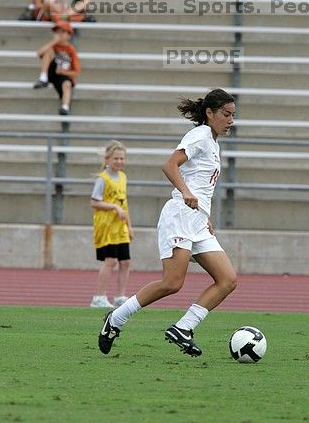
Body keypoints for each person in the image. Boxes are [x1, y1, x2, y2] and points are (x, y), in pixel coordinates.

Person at [97, 88, 238, 357]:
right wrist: (185, 192)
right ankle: (115, 319)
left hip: (196, 221)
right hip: (179, 217)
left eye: (233, 115)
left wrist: (205, 216)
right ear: (210, 113)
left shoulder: (212, 141)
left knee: (228, 279)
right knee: (173, 283)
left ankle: (184, 328)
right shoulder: (200, 136)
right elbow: (170, 164)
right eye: (226, 114)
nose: (231, 120)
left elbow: (201, 185)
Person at [90, 140, 134, 309]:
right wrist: (114, 207)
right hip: (107, 226)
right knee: (111, 260)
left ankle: (120, 296)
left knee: (125, 261)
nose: (119, 162)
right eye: (116, 158)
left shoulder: (123, 177)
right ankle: (99, 297)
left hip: (120, 227)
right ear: (107, 159)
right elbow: (94, 202)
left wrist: (129, 225)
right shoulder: (103, 179)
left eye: (122, 159)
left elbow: (125, 204)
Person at [33, 20, 81, 115]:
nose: (59, 34)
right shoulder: (52, 46)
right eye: (57, 32)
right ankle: (43, 78)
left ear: (68, 35)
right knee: (49, 51)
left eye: (62, 32)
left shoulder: (71, 50)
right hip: (52, 71)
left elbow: (76, 71)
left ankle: (65, 107)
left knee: (67, 84)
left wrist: (63, 72)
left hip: (62, 75)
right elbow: (39, 53)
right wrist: (53, 42)